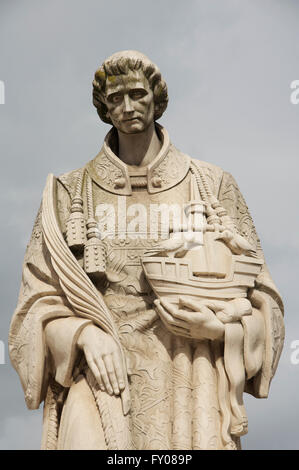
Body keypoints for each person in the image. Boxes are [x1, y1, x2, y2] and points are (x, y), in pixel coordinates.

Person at [9, 50, 284, 450]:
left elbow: (264, 300)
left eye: (137, 94)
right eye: (115, 98)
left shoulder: (211, 184)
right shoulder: (68, 192)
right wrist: (82, 335)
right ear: (103, 107)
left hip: (191, 373)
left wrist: (223, 331)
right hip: (101, 373)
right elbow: (34, 306)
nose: (127, 107)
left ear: (156, 98)